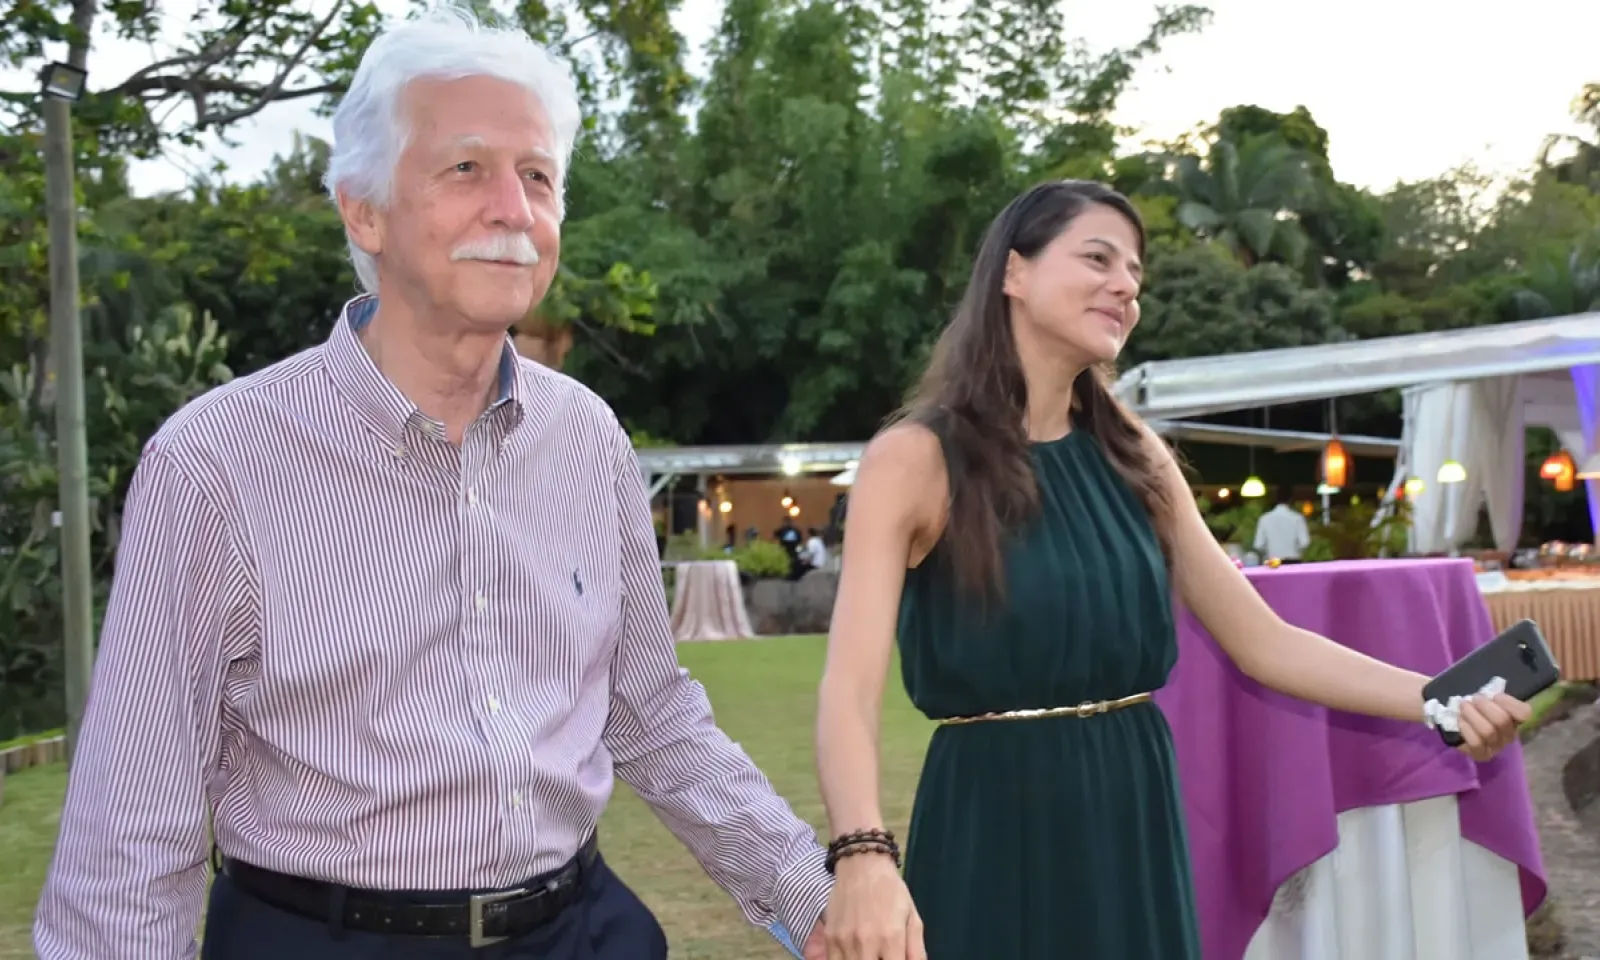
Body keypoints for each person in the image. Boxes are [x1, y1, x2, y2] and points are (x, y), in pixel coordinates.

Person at [32, 8, 830, 959]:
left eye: (537, 176)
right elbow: (132, 831)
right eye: (466, 168)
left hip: (581, 928)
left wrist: (810, 895)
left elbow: (651, 712)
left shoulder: (587, 440)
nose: (512, 208)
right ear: (362, 208)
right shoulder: (216, 466)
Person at [811, 180, 1530, 960]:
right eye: (1098, 258)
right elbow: (849, 691)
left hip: (1136, 812)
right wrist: (862, 856)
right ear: (1013, 274)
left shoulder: (1134, 455)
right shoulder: (913, 458)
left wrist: (1437, 700)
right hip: (994, 819)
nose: (1125, 285)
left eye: (1135, 274)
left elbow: (1265, 642)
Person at [1255, 486, 1312, 561]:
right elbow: (1305, 543)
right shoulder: (1297, 518)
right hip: (1293, 561)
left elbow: (1258, 545)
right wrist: (1295, 549)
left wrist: (1269, 550)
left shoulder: (1264, 519)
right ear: (1291, 499)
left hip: (1272, 562)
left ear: (1276, 498)